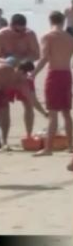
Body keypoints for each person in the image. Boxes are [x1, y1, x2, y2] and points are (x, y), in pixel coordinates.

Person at [0, 14, 40, 138]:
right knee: (2, 106)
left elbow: (37, 54)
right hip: (5, 74)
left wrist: (25, 61)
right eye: (18, 30)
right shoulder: (0, 36)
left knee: (28, 103)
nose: (21, 33)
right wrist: (8, 62)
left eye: (23, 29)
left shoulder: (30, 35)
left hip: (22, 73)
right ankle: (0, 139)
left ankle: (28, 134)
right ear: (11, 26)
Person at [32, 11, 73, 156]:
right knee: (67, 112)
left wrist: (33, 74)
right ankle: (71, 145)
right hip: (67, 74)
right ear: (63, 21)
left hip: (54, 74)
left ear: (50, 21)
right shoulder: (69, 37)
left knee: (53, 113)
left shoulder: (48, 36)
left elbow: (44, 59)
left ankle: (48, 148)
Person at [0, 59, 47, 150]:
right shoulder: (3, 69)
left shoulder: (23, 83)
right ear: (20, 71)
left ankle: (5, 142)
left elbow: (33, 100)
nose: (27, 77)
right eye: (26, 74)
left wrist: (44, 113)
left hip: (1, 92)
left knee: (5, 114)